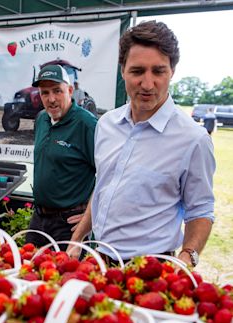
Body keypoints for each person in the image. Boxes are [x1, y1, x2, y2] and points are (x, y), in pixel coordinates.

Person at [70, 20, 215, 268]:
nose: (148, 84)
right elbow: (105, 186)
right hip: (98, 259)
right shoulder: (106, 124)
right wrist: (78, 238)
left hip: (151, 269)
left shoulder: (193, 139)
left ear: (172, 71)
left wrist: (187, 257)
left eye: (158, 71)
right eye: (137, 71)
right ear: (123, 70)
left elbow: (201, 210)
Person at [25, 65, 97, 248]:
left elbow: (110, 175)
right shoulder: (42, 118)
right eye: (45, 93)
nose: (51, 99)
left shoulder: (87, 125)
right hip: (39, 219)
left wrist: (92, 214)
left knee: (64, 275)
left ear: (70, 90)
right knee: (27, 269)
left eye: (57, 91)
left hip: (69, 224)